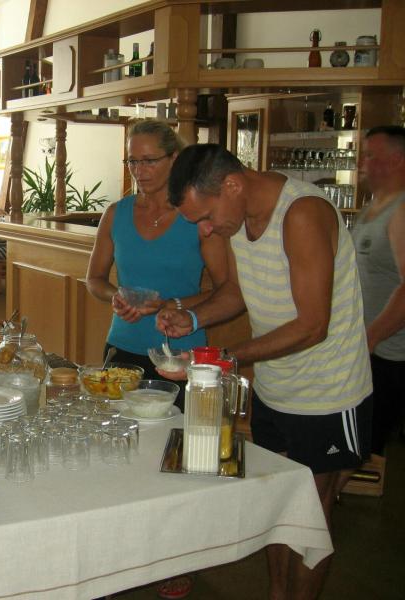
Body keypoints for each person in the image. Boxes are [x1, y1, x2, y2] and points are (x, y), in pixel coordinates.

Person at [159, 143, 372, 600]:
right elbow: (237, 292)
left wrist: (225, 358)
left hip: (328, 395)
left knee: (310, 515)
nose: (206, 230)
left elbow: (312, 326)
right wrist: (191, 318)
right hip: (274, 389)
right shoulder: (237, 220)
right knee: (277, 506)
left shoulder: (303, 214)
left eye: (205, 217)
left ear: (233, 185)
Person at [86, 120, 229, 410]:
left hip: (180, 353)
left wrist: (172, 305)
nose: (139, 171)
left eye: (149, 161)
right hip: (122, 347)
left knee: (178, 432)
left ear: (174, 158)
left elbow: (226, 290)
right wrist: (115, 296)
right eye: (132, 161)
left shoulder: (196, 216)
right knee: (118, 429)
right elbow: (94, 279)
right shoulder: (115, 214)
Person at [352, 126, 405, 455]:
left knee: (361, 450)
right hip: (369, 351)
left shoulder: (401, 210)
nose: (362, 162)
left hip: (388, 356)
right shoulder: (374, 206)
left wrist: (369, 339)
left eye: (371, 155)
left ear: (397, 160)